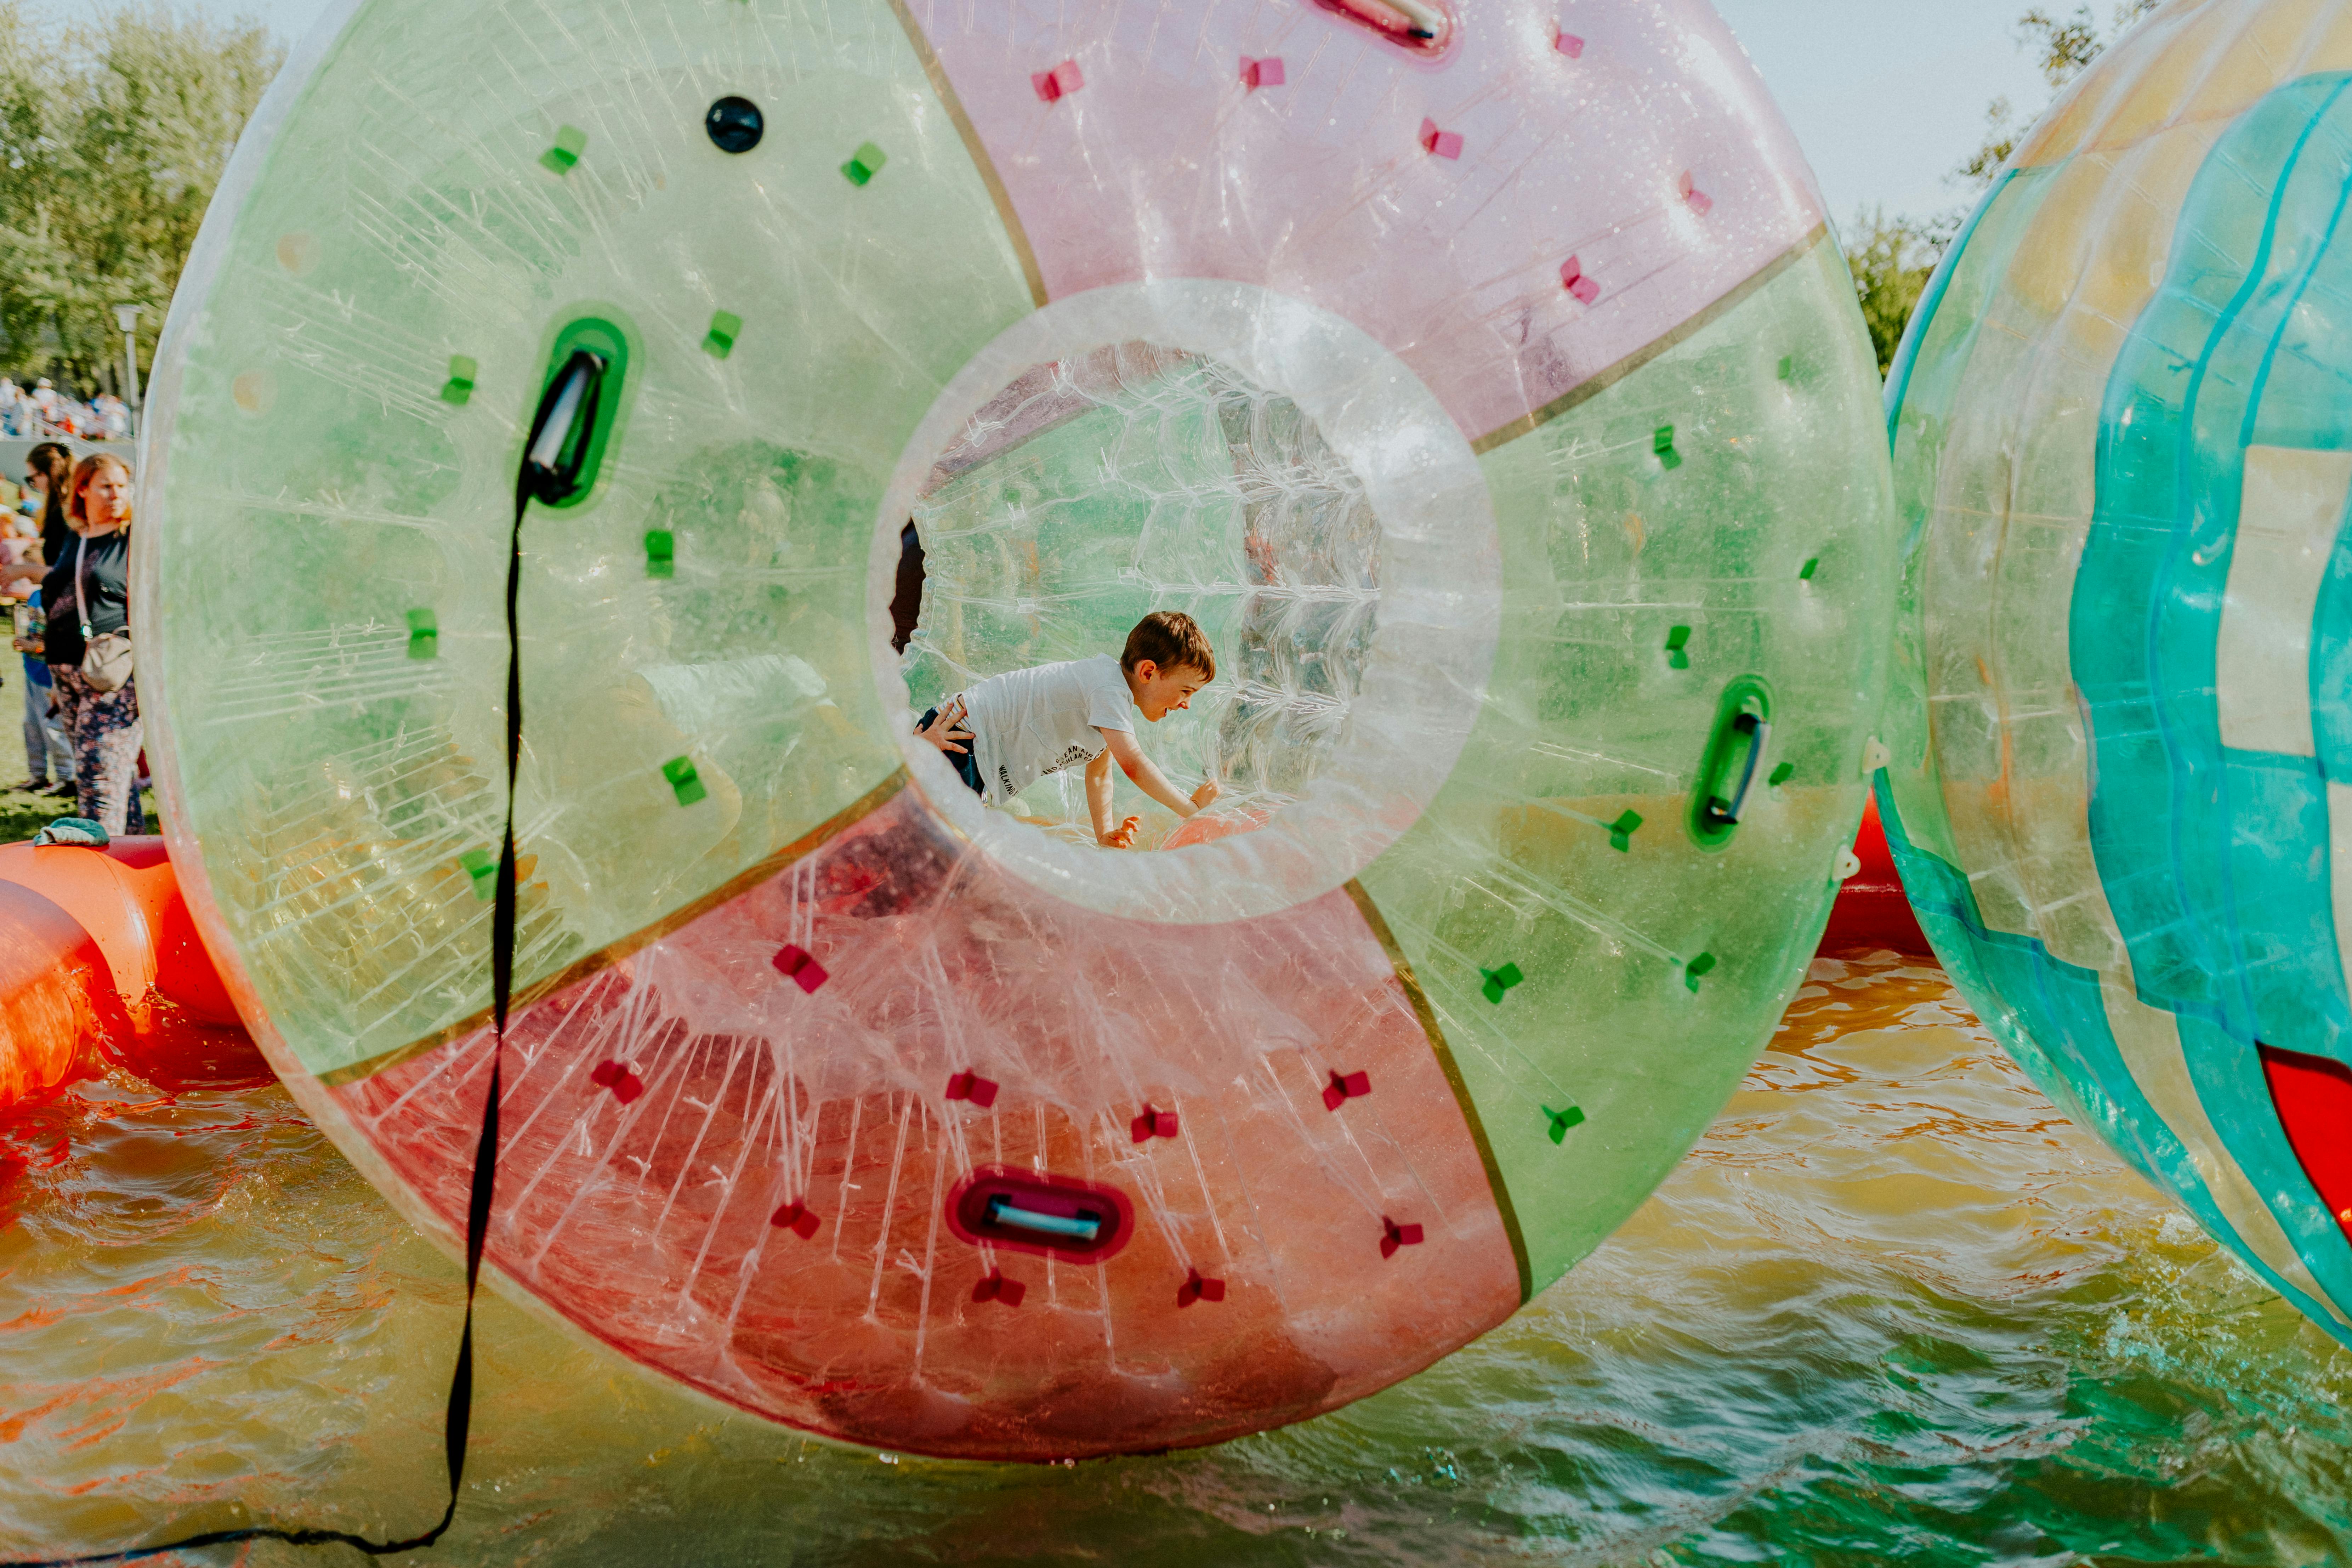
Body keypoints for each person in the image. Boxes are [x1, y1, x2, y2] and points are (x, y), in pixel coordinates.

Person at [916, 609, 1221, 849]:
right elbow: (1133, 766)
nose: (1187, 705)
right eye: (1186, 691)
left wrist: (1104, 833)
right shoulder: (1108, 686)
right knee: (936, 851)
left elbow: (1101, 776)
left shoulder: (1108, 706)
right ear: (1149, 672)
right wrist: (1190, 808)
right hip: (961, 741)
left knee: (939, 845)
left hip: (975, 760)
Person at [27, 453, 138, 833]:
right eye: (106, 486)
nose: (116, 495)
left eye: (122, 486)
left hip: (112, 678)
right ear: (83, 489)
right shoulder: (77, 537)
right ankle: (132, 858)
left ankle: (101, 872)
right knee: (113, 783)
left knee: (98, 785)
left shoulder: (133, 539)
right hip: (67, 673)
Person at [22, 442, 72, 567]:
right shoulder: (63, 507)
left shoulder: (62, 512)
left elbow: (64, 570)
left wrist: (25, 571)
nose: (33, 485)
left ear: (47, 473)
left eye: (31, 479)